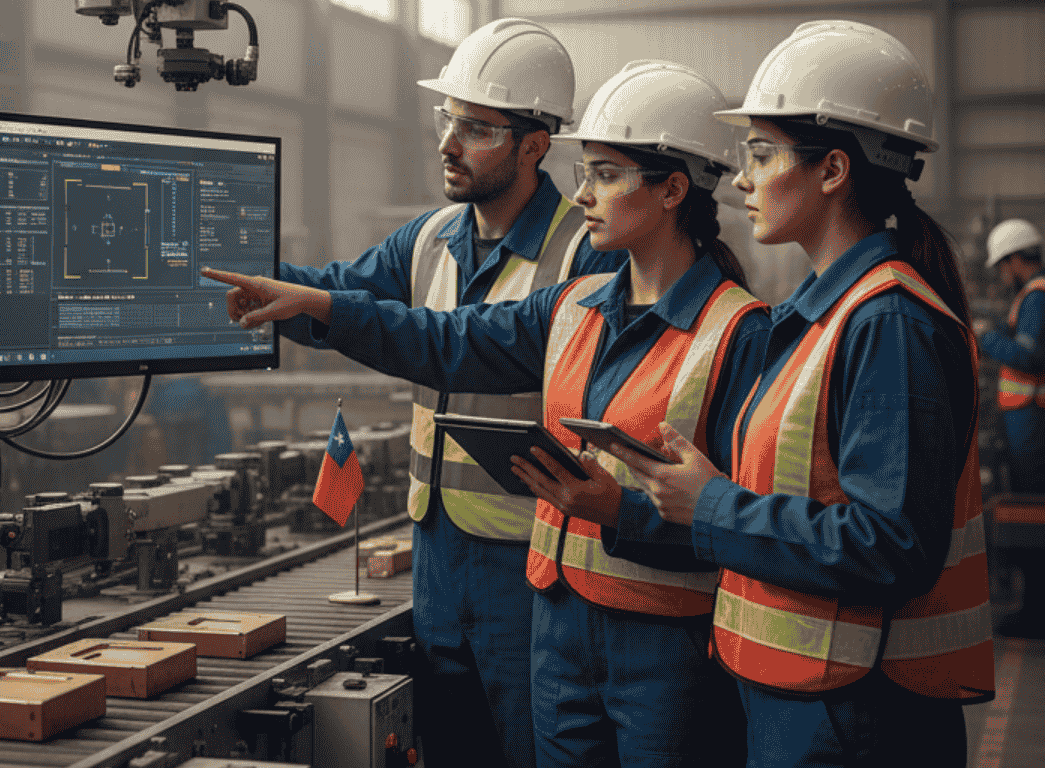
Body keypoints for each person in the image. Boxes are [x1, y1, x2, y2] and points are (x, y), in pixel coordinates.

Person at [209, 59, 768, 768]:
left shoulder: (725, 326)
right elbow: (443, 338)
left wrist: (623, 513)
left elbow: (742, 519)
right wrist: (290, 294)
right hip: (546, 597)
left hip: (640, 624)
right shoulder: (567, 304)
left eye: (604, 174)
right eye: (587, 172)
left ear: (672, 190)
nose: (584, 193)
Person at [605, 21, 995, 767]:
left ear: (833, 170)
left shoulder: (887, 324)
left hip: (855, 713)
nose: (741, 179)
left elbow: (892, 547)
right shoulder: (824, 315)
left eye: (761, 154)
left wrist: (712, 505)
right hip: (803, 697)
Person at [276, 18, 626, 767]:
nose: (448, 143)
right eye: (448, 120)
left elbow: (442, 342)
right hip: (437, 556)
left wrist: (321, 307)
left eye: (477, 129)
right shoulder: (430, 237)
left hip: (532, 563)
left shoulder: (586, 253)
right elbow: (334, 297)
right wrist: (250, 280)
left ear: (535, 145)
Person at [980, 217, 1045, 638]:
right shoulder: (1040, 295)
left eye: (1003, 265)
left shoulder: (1039, 298)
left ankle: (1042, 616)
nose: (1003, 275)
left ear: (1016, 260)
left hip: (1039, 425)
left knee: (1039, 517)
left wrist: (987, 338)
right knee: (1037, 515)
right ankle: (1038, 609)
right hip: (1038, 421)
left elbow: (1031, 358)